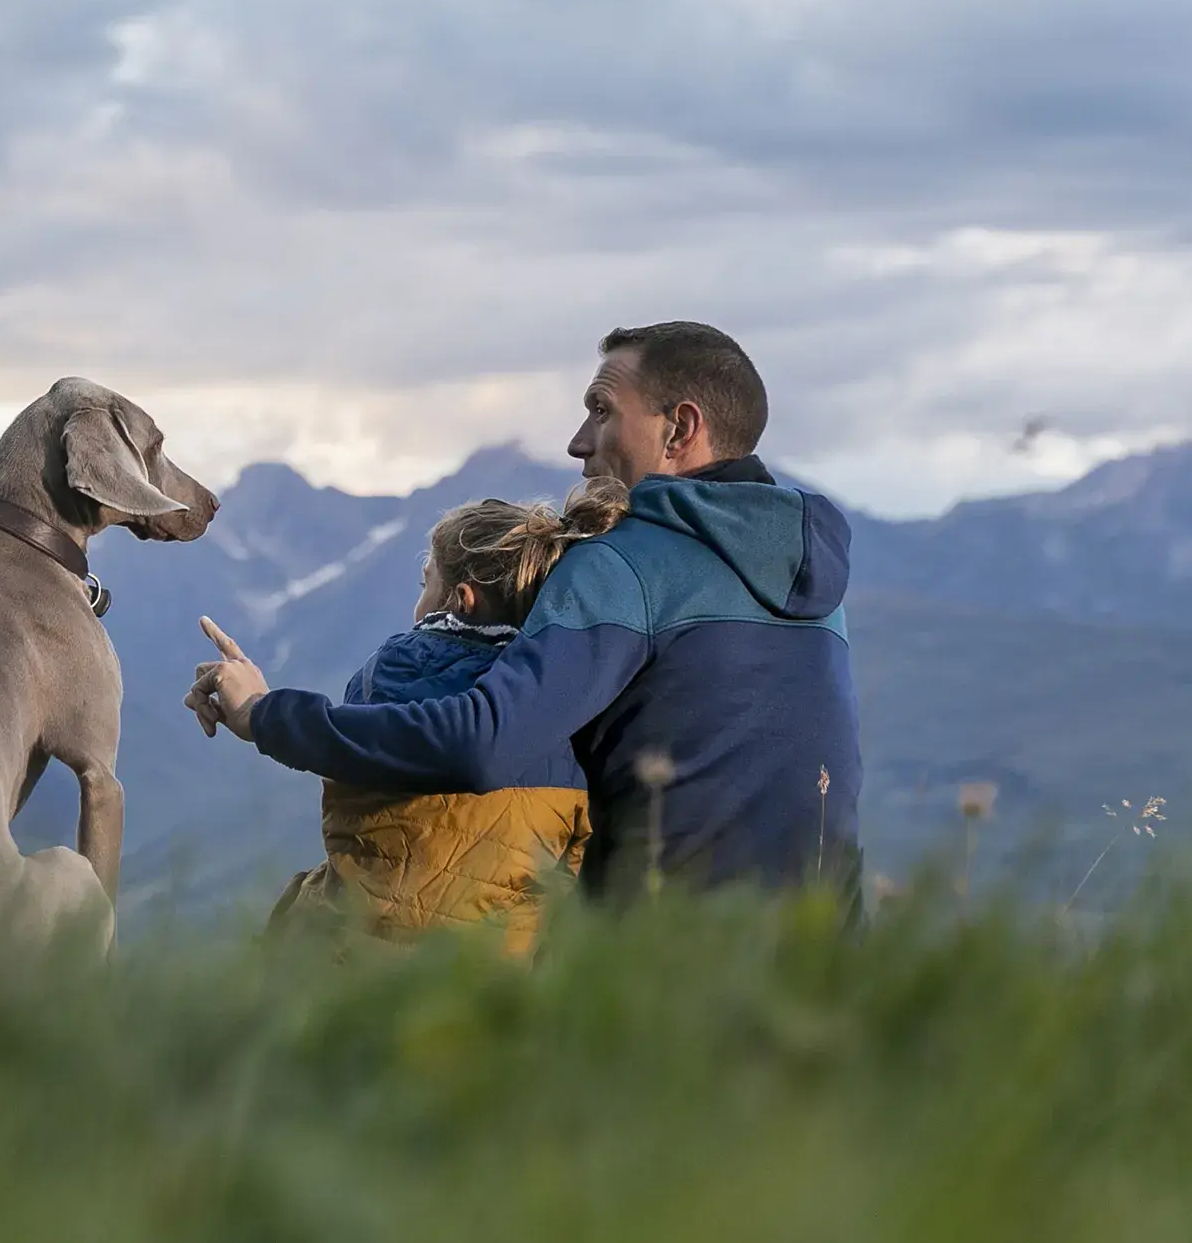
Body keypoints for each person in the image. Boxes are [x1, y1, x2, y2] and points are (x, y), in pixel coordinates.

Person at [189, 321, 861, 896]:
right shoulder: (809, 578)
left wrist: (265, 715)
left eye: (601, 410)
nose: (577, 442)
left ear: (680, 428)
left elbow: (479, 743)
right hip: (824, 968)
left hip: (666, 978)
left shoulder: (626, 564)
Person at [263, 484, 624, 954]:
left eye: (424, 582)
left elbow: (351, 780)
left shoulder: (393, 665)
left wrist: (262, 713)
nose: (418, 601)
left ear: (460, 599)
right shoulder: (560, 696)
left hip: (359, 951)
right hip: (498, 970)